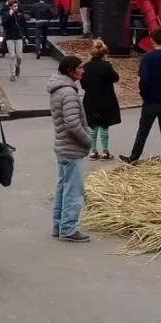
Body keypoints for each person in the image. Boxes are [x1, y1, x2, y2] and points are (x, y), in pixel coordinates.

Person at [119, 29, 161, 168]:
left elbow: (143, 79)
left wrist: (143, 93)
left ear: (152, 40)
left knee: (143, 131)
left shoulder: (147, 58)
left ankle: (134, 158)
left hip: (150, 101)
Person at [48, 55, 91, 242]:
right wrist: (88, 140)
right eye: (79, 67)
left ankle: (59, 225)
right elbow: (73, 124)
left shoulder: (59, 89)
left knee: (63, 187)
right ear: (71, 70)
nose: (82, 71)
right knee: (73, 189)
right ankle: (68, 228)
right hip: (71, 148)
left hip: (62, 147)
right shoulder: (69, 92)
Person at [80, 39, 121, 160]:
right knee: (104, 126)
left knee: (93, 126)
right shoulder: (106, 66)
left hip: (91, 99)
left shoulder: (85, 67)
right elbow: (116, 78)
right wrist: (109, 66)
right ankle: (105, 151)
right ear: (104, 53)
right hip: (105, 99)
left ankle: (93, 150)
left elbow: (83, 85)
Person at [0, 0, 25, 80]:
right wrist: (9, 15)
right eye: (14, 6)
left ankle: (17, 66)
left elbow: (24, 26)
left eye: (16, 6)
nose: (16, 7)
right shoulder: (6, 14)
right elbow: (4, 24)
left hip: (19, 37)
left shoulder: (20, 14)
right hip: (10, 37)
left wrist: (26, 37)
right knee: (12, 56)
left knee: (19, 56)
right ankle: (13, 74)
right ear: (10, 7)